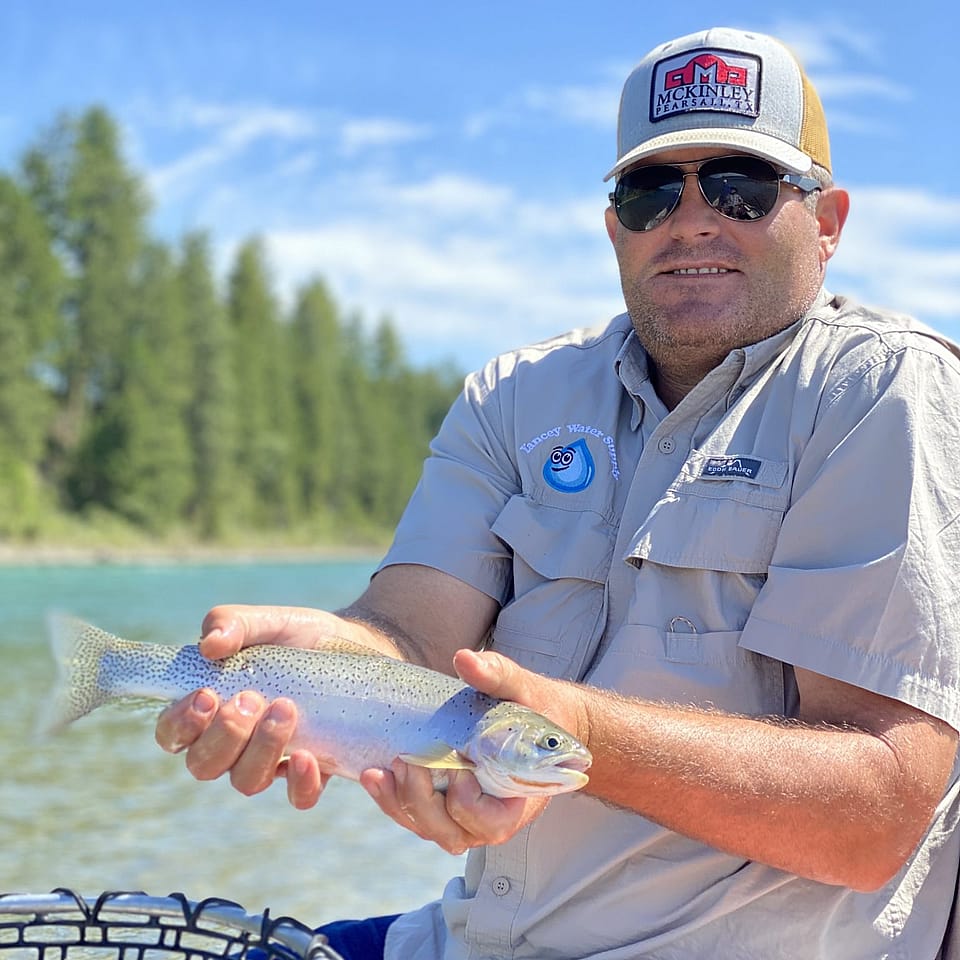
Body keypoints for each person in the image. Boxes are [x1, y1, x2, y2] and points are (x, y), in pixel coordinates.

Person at [155, 26, 960, 960]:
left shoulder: (879, 394)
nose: (693, 221)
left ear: (827, 222)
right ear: (615, 226)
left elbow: (875, 815)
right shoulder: (513, 396)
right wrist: (328, 657)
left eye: (741, 187)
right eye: (652, 192)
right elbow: (409, 636)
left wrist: (566, 734)